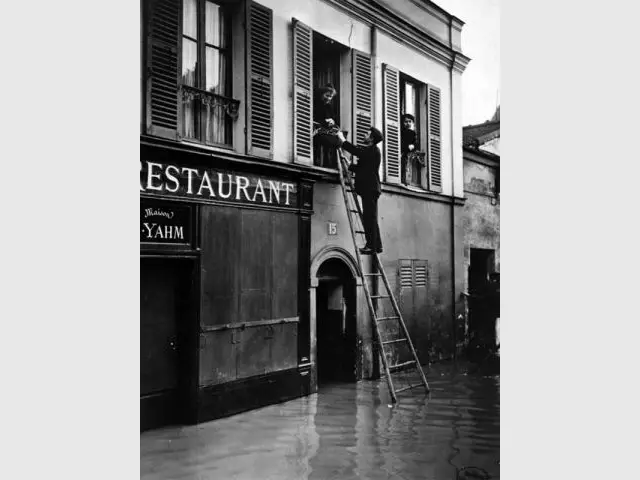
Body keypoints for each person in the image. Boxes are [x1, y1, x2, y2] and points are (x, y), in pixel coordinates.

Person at [335, 127, 384, 254]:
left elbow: (356, 151)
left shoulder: (372, 150)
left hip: (370, 188)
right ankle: (376, 246)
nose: (364, 134)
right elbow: (364, 168)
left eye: (367, 133)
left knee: (370, 218)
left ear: (372, 139)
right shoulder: (371, 151)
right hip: (370, 188)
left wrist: (342, 140)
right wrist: (350, 164)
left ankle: (372, 246)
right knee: (370, 217)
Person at [313, 83, 340, 168]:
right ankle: (318, 162)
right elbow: (313, 118)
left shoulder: (329, 107)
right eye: (327, 95)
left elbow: (333, 120)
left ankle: (329, 164)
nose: (328, 98)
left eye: (330, 96)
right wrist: (324, 121)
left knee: (337, 141)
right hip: (317, 130)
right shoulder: (315, 104)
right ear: (322, 94)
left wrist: (332, 122)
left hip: (327, 131)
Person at [400, 113, 421, 185]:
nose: (408, 123)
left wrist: (413, 146)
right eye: (406, 122)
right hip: (403, 153)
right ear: (402, 123)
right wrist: (407, 147)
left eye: (410, 121)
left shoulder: (412, 133)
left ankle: (406, 181)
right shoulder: (400, 132)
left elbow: (416, 144)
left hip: (409, 154)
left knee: (407, 169)